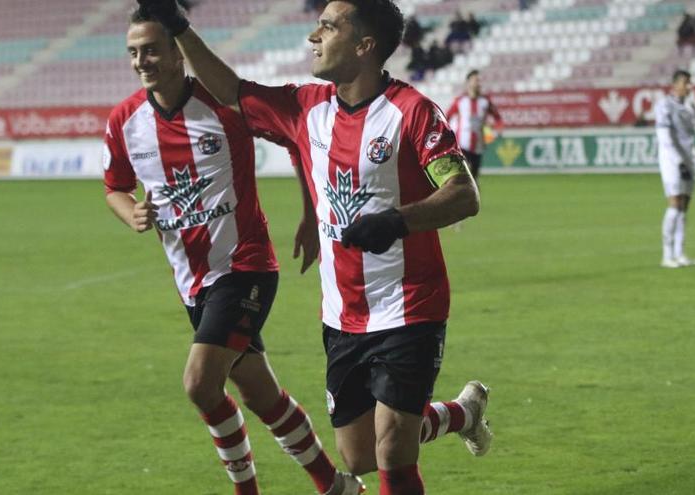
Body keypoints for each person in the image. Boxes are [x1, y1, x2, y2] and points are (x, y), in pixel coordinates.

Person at [134, 0, 494, 494]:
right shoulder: (306, 108)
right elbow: (234, 92)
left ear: (364, 46)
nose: (313, 36)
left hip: (409, 305)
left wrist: (397, 221)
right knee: (360, 453)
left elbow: (463, 193)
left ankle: (424, 432)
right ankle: (460, 413)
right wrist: (178, 26)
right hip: (342, 314)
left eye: (327, 26)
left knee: (392, 452)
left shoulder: (412, 112)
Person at [102, 8, 363, 495]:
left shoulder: (225, 108)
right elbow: (115, 185)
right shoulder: (125, 122)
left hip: (245, 267)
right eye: (134, 52)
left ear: (179, 51)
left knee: (200, 384)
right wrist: (130, 212)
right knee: (262, 396)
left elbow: (294, 141)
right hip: (192, 281)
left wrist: (309, 212)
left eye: (152, 49)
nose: (142, 60)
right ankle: (336, 487)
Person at [654, 69, 695, 268]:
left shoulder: (688, 106)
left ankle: (680, 254)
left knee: (684, 208)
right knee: (674, 203)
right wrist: (678, 162)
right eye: (686, 83)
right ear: (675, 85)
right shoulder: (664, 105)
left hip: (689, 159)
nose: (690, 86)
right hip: (672, 161)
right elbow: (664, 138)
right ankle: (667, 255)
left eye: (690, 83)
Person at [445, 70, 504, 183]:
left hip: (478, 145)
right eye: (476, 80)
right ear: (468, 83)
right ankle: (461, 197)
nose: (478, 83)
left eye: (479, 80)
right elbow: (446, 116)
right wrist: (446, 134)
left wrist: (499, 129)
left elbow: (498, 117)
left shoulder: (485, 101)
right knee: (464, 175)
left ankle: (472, 199)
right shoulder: (460, 101)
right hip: (461, 144)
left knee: (474, 177)